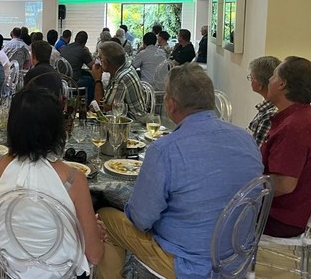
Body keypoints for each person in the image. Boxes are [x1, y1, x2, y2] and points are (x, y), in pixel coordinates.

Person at [97, 63, 263, 279]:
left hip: (188, 265)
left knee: (105, 218)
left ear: (171, 104)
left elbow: (141, 220)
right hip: (237, 258)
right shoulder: (246, 140)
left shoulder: (165, 150)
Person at [0, 87, 104, 278]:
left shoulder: (2, 165)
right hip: (62, 273)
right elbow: (94, 256)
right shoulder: (73, 178)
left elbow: (28, 220)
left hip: (15, 270)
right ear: (56, 129)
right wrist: (92, 231)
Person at [262, 56, 311, 237]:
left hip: (280, 218)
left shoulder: (294, 126)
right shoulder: (301, 117)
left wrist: (243, 189)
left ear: (282, 84)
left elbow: (285, 184)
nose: (269, 79)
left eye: (274, 75)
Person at [93, 41, 147, 123]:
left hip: (132, 124)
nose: (98, 62)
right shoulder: (127, 68)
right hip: (129, 119)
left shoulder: (121, 79)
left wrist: (97, 79)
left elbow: (102, 109)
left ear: (105, 63)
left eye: (99, 58)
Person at [246, 56, 280, 146]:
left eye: (251, 78)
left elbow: (257, 150)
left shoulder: (270, 115)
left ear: (260, 84)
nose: (250, 81)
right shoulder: (267, 108)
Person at [60, 30, 95, 102]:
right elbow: (93, 67)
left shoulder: (65, 47)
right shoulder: (82, 50)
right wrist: (88, 52)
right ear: (85, 42)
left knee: (85, 74)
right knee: (90, 80)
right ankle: (89, 103)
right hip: (73, 81)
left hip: (62, 80)